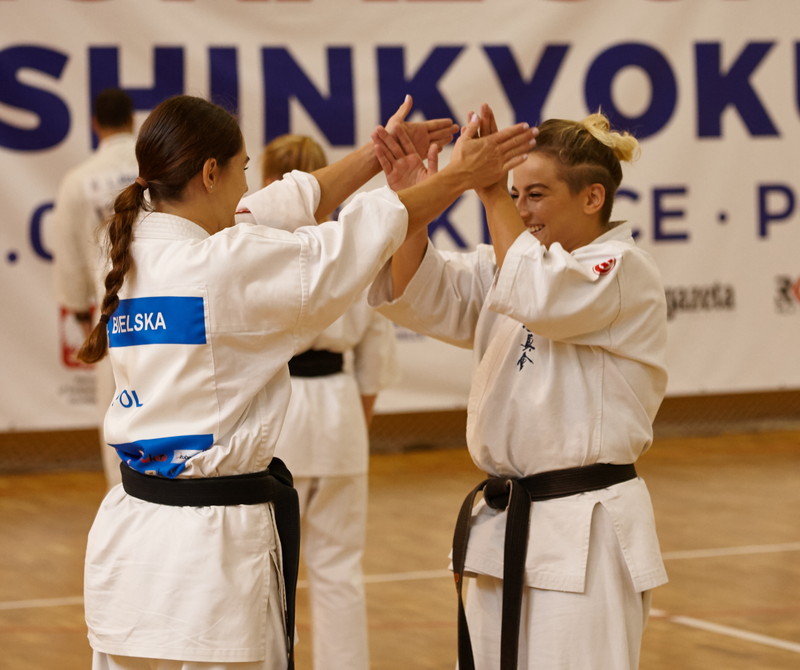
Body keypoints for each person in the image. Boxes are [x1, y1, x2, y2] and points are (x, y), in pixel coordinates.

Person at [77, 94, 536, 670]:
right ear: (210, 173)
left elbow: (278, 205)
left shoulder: (127, 243)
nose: (247, 189)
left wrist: (375, 157)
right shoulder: (225, 264)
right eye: (243, 170)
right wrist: (462, 176)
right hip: (211, 553)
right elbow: (361, 235)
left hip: (130, 538)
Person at [370, 107, 668, 669]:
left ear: (592, 197)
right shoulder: (512, 267)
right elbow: (420, 293)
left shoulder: (622, 268)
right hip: (505, 523)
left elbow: (540, 295)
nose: (520, 208)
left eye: (536, 194)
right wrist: (415, 204)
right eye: (513, 193)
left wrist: (488, 193)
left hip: (585, 530)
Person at [262, 134, 398, 670]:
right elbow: (374, 356)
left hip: (280, 413)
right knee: (339, 567)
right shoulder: (351, 246)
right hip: (340, 411)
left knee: (271, 572)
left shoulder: (259, 250)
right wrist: (355, 428)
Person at [51, 88, 138, 489]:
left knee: (116, 425)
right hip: (171, 312)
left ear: (95, 124)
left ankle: (123, 508)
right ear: (133, 121)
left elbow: (69, 260)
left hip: (113, 318)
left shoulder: (78, 181)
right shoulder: (157, 168)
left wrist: (82, 315)